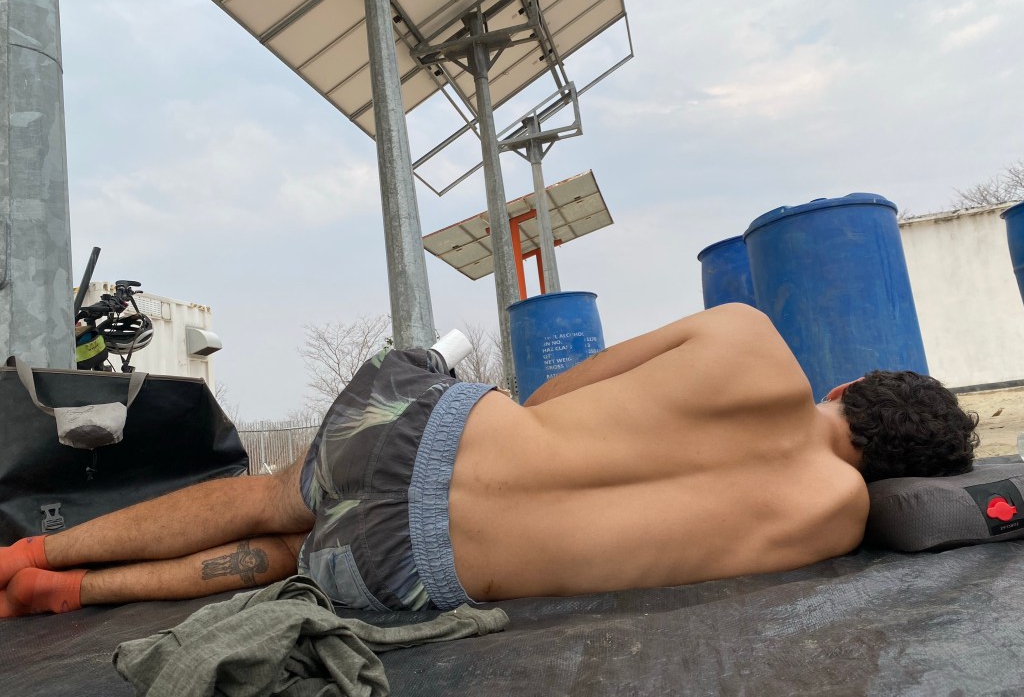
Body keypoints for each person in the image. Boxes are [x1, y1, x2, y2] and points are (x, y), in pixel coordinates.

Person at [0, 303, 979, 617]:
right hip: (417, 571)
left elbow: (553, 397)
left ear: (848, 389)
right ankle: (76, 598)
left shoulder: (747, 336)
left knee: (272, 493)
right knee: (292, 558)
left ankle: (34, 557)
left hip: (431, 432)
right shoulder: (838, 516)